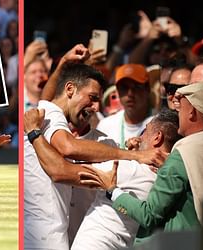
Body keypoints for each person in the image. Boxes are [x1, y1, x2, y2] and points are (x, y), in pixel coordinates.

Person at [24, 46, 166, 250]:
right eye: (92, 97)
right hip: (41, 238)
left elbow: (48, 100)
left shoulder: (102, 141)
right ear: (70, 90)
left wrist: (63, 62)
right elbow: (63, 158)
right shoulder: (49, 118)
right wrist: (135, 156)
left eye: (98, 100)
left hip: (66, 236)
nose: (96, 107)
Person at [84, 82, 203, 235]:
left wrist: (113, 190)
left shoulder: (182, 155)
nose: (178, 113)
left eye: (181, 108)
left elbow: (149, 216)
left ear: (191, 111)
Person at [70, 109, 181, 250]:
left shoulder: (128, 169)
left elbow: (60, 171)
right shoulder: (167, 180)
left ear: (157, 137)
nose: (139, 138)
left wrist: (34, 134)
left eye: (145, 131)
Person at [97, 64, 154, 149]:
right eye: (124, 87)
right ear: (117, 91)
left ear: (147, 89)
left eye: (136, 87)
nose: (130, 93)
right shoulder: (105, 125)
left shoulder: (159, 123)